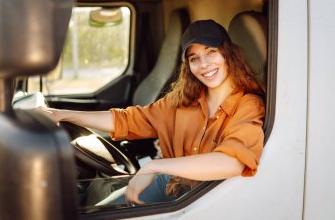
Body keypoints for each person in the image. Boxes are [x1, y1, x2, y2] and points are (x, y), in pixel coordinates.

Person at [37, 19, 266, 206]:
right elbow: (125, 120)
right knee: (103, 211)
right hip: (173, 185)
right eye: (194, 58)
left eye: (211, 52)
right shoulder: (181, 101)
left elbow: (232, 162)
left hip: (208, 197)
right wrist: (61, 115)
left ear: (228, 54)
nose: (204, 64)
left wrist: (155, 166)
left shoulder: (248, 104)